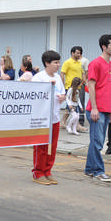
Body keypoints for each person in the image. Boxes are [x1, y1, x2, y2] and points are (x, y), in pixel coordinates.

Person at [85, 34, 111, 183]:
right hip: (95, 109)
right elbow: (91, 86)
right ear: (104, 47)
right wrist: (94, 108)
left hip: (106, 109)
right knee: (97, 141)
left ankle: (89, 169)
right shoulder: (95, 63)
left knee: (97, 141)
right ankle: (99, 171)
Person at [31, 50, 66, 185]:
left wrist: (62, 97)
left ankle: (47, 171)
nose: (58, 65)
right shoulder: (38, 78)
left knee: (52, 146)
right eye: (55, 62)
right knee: (41, 146)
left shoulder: (58, 77)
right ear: (47, 63)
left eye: (59, 62)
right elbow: (33, 96)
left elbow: (62, 93)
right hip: (42, 118)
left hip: (54, 117)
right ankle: (38, 172)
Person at [60, 46, 85, 128]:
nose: (79, 54)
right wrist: (62, 86)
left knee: (71, 106)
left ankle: (63, 122)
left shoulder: (80, 63)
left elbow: (82, 73)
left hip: (78, 87)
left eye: (80, 53)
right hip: (69, 87)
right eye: (77, 53)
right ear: (72, 53)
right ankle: (77, 125)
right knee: (72, 105)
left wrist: (83, 82)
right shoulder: (67, 62)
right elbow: (62, 74)